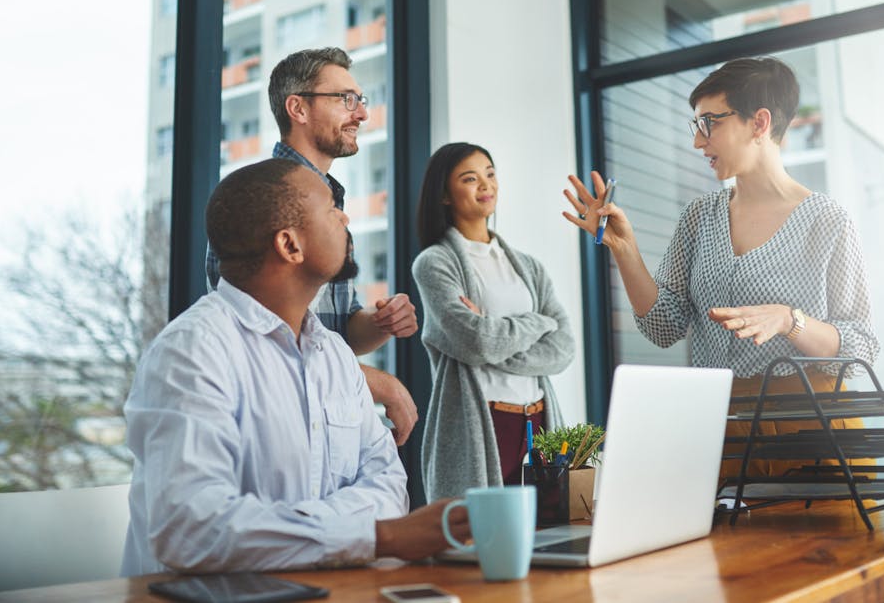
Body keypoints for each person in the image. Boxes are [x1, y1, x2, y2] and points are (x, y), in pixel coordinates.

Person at [122, 159, 469, 575]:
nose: (344, 217)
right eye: (330, 209)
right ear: (290, 246)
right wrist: (378, 537)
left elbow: (389, 485)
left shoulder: (335, 354)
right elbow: (192, 529)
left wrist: (293, 531)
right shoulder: (192, 351)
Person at [562, 57, 879, 477]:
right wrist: (625, 249)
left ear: (759, 123)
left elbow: (862, 344)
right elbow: (663, 326)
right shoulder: (699, 217)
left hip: (811, 427)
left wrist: (789, 320)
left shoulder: (827, 220)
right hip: (718, 428)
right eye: (696, 125)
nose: (698, 142)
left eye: (709, 123)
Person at [206, 47, 419, 446]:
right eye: (346, 99)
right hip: (278, 428)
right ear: (298, 109)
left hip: (328, 419)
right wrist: (376, 383)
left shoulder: (332, 205)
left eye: (361, 100)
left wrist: (379, 323)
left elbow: (340, 331)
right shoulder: (257, 200)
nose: (361, 114)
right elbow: (261, 342)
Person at [412, 142, 575, 501]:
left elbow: (563, 350)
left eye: (490, 173)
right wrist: (538, 323)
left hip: (539, 420)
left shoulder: (529, 266)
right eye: (470, 178)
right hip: (484, 422)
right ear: (444, 195)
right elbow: (477, 342)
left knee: (549, 540)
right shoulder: (435, 263)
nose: (486, 185)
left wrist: (494, 333)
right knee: (481, 542)